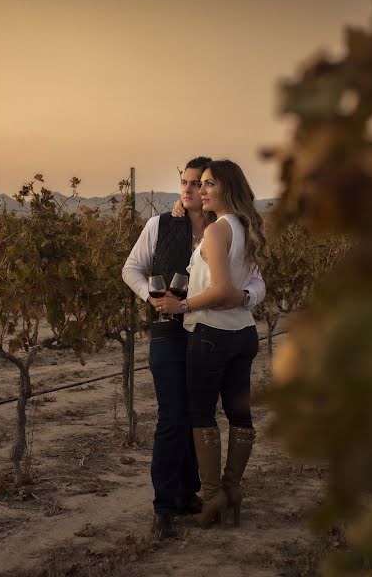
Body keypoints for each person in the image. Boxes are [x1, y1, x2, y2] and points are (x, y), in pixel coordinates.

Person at [122, 157, 265, 538]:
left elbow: (254, 282)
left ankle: (195, 493)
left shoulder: (223, 228)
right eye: (185, 183)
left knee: (198, 414)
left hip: (208, 329)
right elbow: (131, 268)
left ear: (213, 189)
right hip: (171, 332)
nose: (189, 190)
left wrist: (242, 297)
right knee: (174, 417)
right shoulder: (161, 224)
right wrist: (150, 298)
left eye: (198, 184)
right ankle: (166, 504)